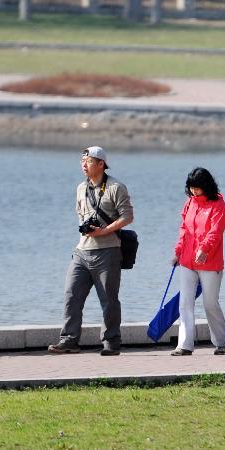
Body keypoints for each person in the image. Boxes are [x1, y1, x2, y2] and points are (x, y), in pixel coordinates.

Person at [48, 147, 134, 356]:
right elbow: (80, 214)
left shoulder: (115, 187)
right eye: (82, 161)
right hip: (82, 252)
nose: (83, 164)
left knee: (109, 299)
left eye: (88, 161)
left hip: (108, 252)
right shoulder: (80, 188)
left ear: (101, 164)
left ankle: (111, 342)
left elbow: (127, 217)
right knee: (71, 295)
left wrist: (104, 230)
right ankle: (69, 340)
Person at [171, 167, 225, 356]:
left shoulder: (218, 203)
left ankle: (221, 341)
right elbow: (184, 229)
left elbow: (216, 230)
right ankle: (185, 345)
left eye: (197, 188)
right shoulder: (189, 203)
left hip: (210, 262)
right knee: (185, 303)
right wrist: (178, 252)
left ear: (206, 186)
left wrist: (204, 249)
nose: (193, 192)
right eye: (191, 188)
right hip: (187, 260)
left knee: (210, 303)